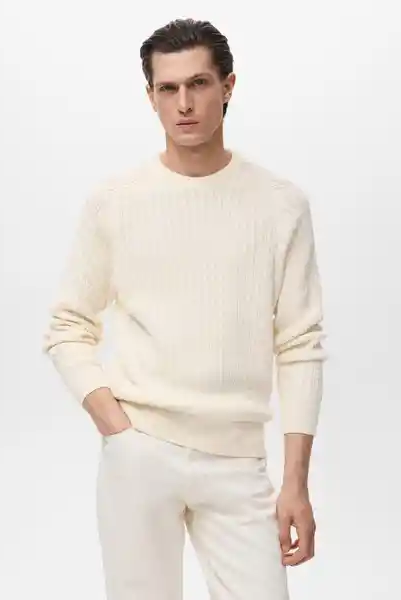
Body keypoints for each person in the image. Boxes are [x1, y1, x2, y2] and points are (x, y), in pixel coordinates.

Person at [42, 17, 328, 600]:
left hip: (237, 461)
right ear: (151, 97)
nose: (184, 104)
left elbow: (300, 343)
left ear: (228, 86)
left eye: (198, 83)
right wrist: (117, 428)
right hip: (140, 452)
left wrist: (295, 482)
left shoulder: (280, 206)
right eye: (168, 88)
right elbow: (68, 325)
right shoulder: (116, 202)